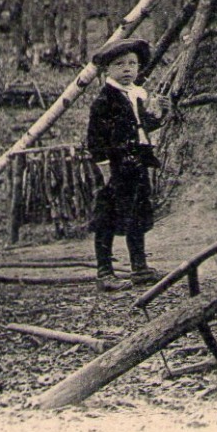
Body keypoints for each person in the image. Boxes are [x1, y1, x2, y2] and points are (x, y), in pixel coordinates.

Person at [86, 37, 170, 291]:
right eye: (120, 64)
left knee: (138, 213)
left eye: (132, 64)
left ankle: (140, 268)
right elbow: (95, 138)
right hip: (116, 166)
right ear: (107, 70)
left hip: (137, 163)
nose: (127, 70)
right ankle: (104, 272)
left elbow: (142, 126)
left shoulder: (136, 94)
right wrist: (104, 167)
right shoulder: (105, 101)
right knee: (108, 217)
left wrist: (159, 113)